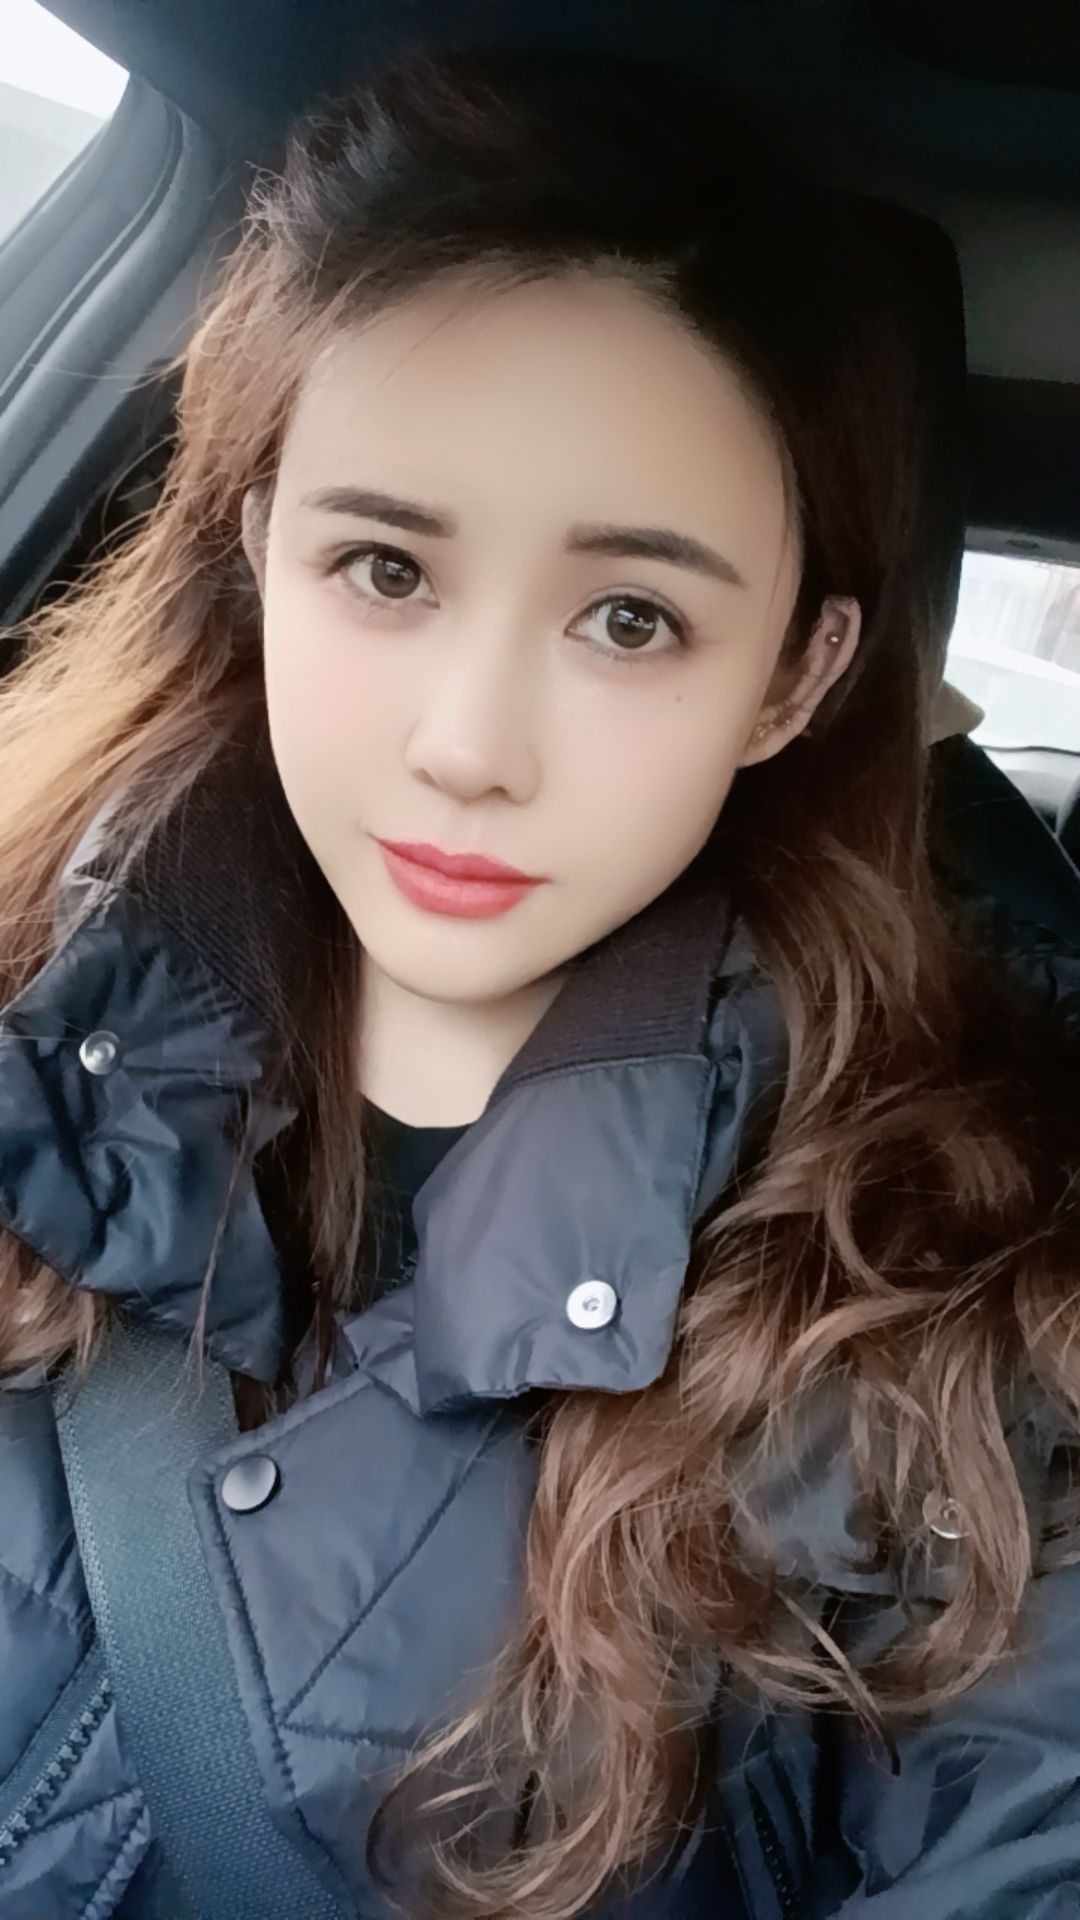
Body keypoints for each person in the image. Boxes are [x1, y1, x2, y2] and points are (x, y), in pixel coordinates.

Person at [0, 39, 1078, 1920]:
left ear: (793, 680)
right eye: (386, 570)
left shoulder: (968, 1319)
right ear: (258, 547)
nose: (469, 747)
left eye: (630, 618)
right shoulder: (30, 997)